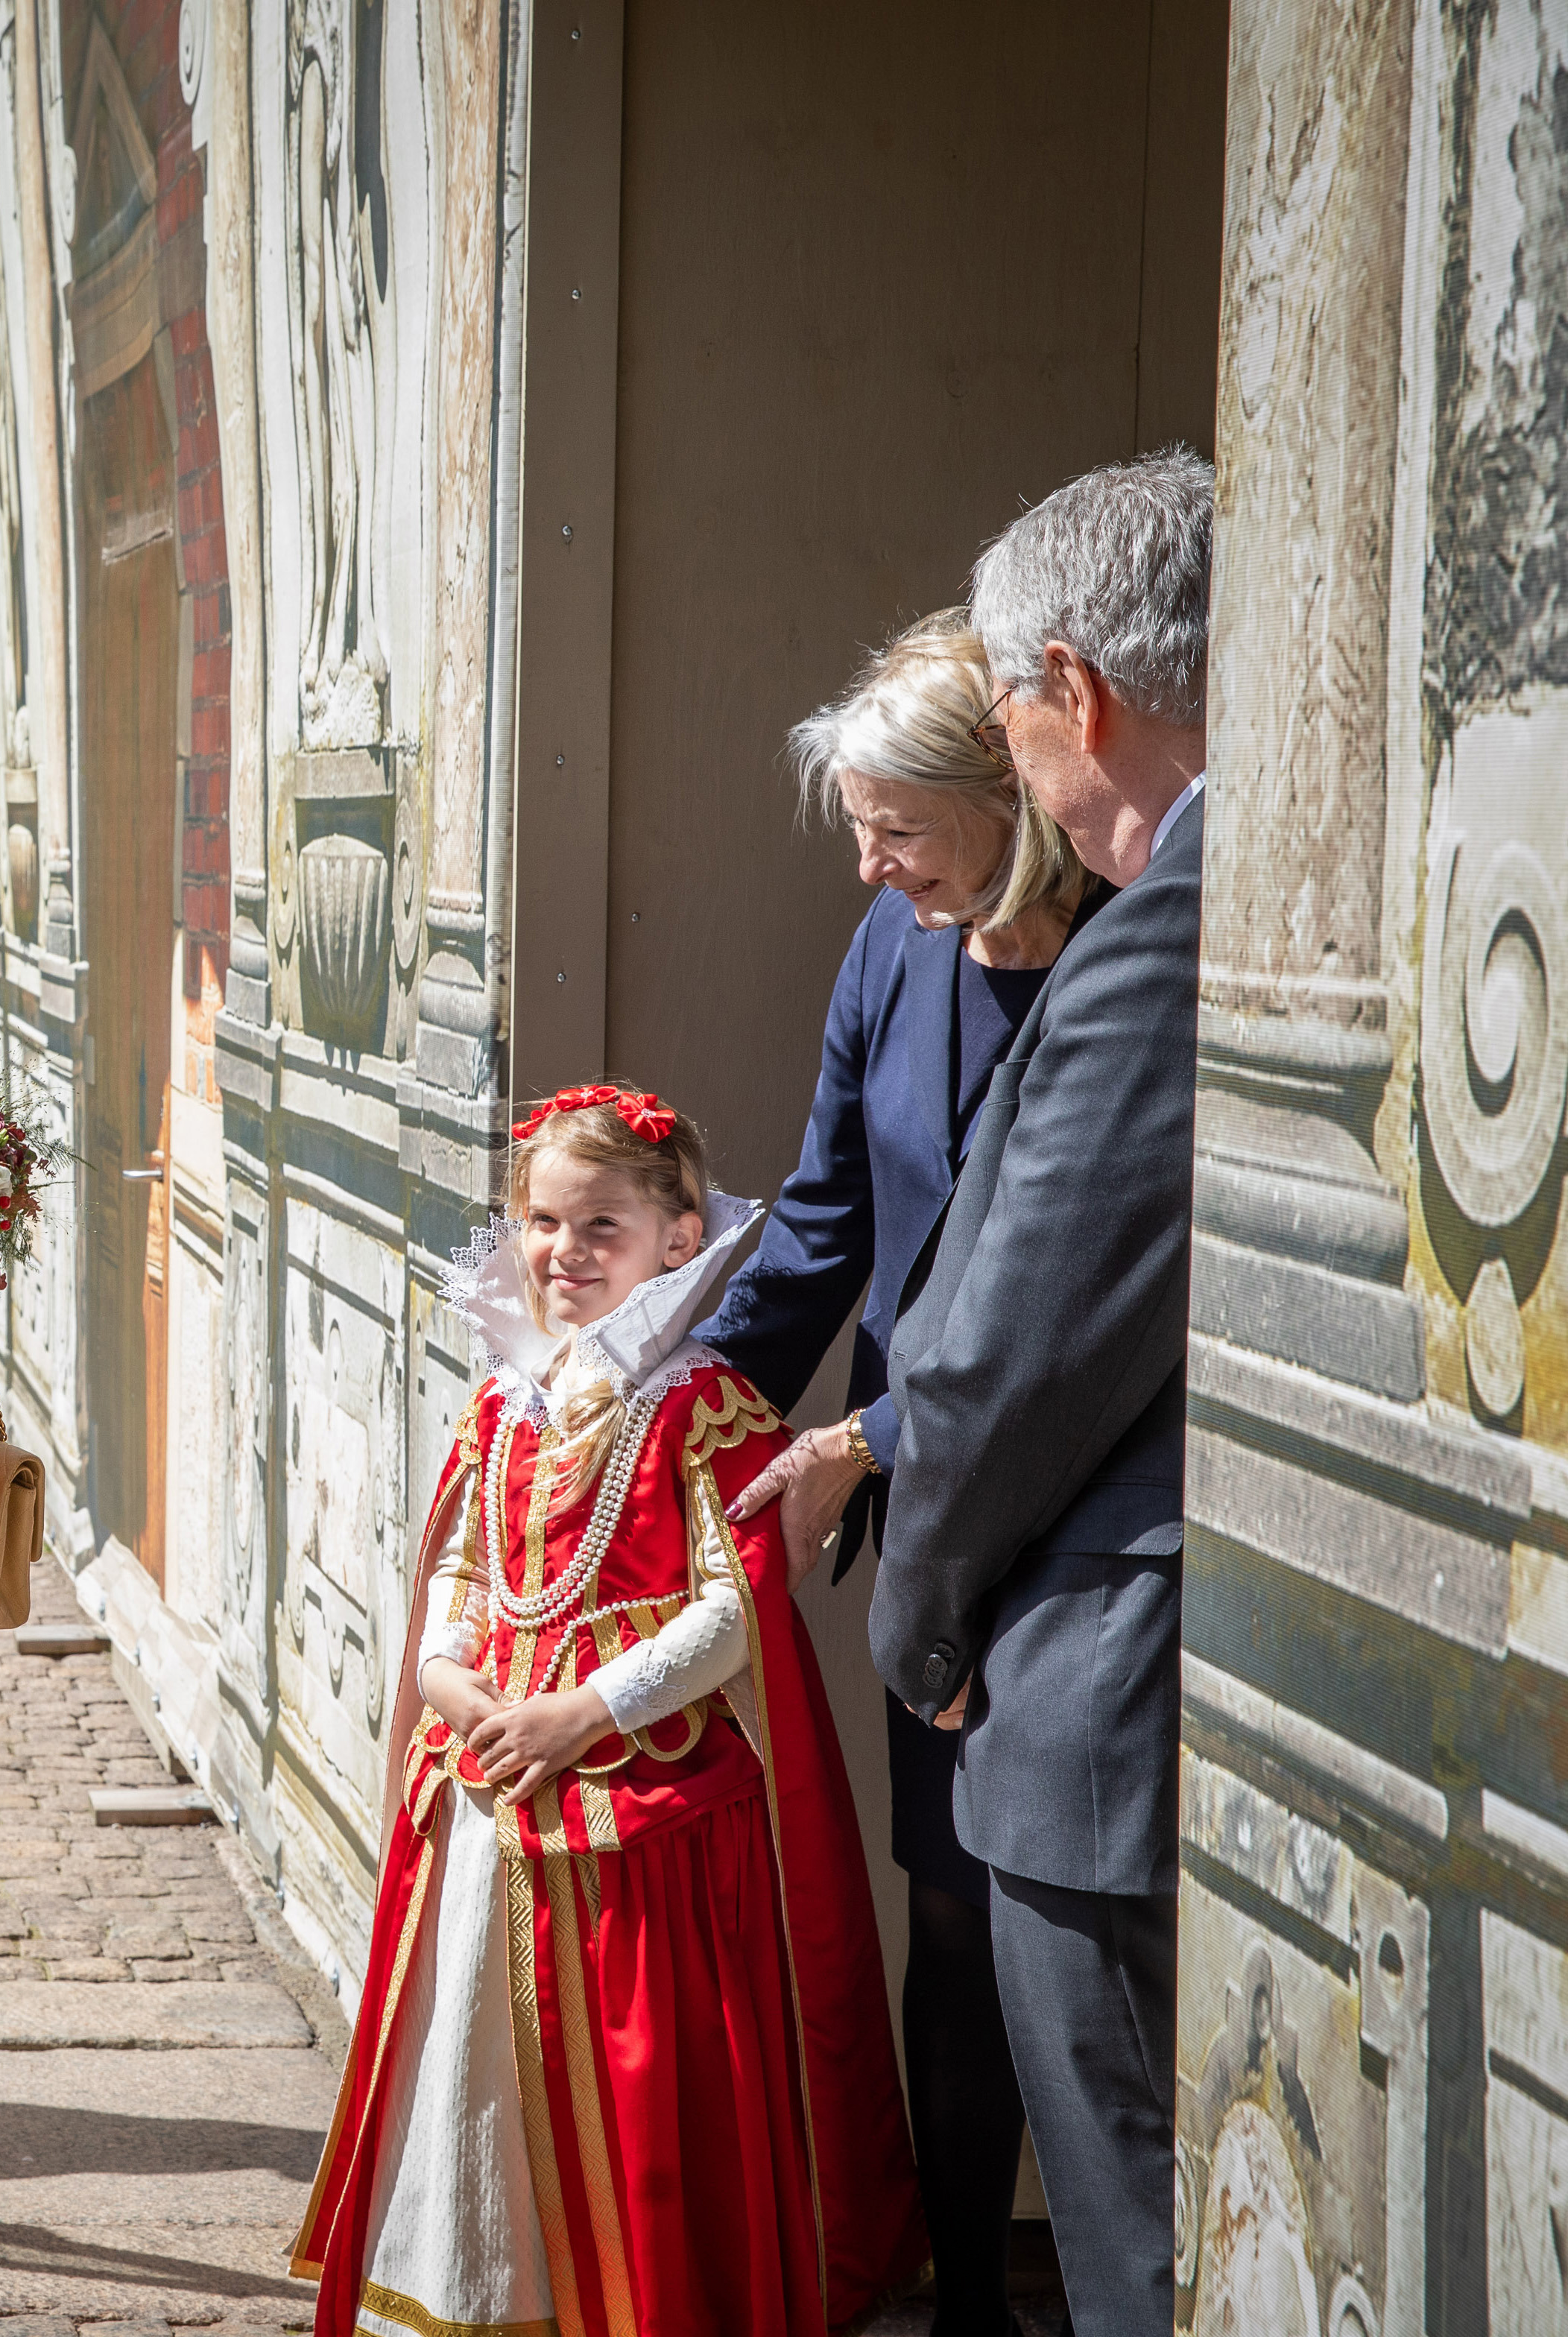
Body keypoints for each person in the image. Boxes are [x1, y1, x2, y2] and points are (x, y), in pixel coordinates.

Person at [295, 1088, 926, 2337]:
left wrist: (582, 1712)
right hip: (493, 1778)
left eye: (601, 1227)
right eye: (541, 1222)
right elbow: (463, 1577)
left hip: (644, 1809)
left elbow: (734, 1607)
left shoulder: (701, 1407)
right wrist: (453, 1686)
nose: (563, 1252)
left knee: (636, 2086)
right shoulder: (503, 1405)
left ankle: (628, 2295)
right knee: (470, 2061)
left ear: (677, 1240)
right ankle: (478, 2283)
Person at [701, 610, 1099, 2335]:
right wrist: (683, 1400)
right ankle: (967, 2302)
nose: (867, 863)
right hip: (925, 1511)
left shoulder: (1125, 954)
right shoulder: (889, 944)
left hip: (1086, 1511)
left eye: (896, 827)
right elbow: (823, 1218)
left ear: (1002, 802)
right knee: (946, 1919)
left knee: (1067, 1936)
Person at [868, 448, 1211, 2335]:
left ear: (1068, 692)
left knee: (1133, 2229)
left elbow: (1007, 1353)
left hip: (1093, 1691)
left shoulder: (1157, 926)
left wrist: (912, 1625)